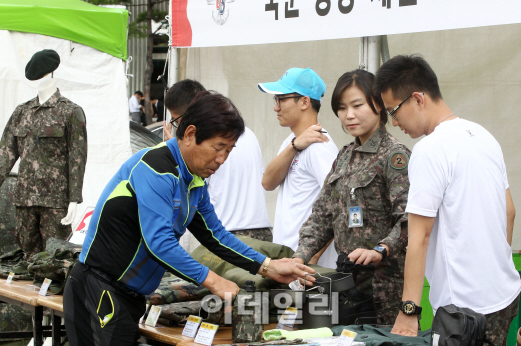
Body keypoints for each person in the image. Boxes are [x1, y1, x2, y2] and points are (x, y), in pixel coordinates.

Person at [63, 91, 314, 346]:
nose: (221, 159)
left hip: (130, 296)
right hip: (99, 289)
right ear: (191, 134)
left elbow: (216, 235)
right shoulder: (156, 168)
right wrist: (215, 281)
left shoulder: (194, 181)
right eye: (218, 147)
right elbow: (159, 243)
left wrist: (268, 266)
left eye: (229, 151)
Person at [376, 55, 521, 345]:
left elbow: (420, 237)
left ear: (418, 98)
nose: (394, 122)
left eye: (393, 111)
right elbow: (509, 212)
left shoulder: (430, 150)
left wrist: (409, 311)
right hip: (505, 293)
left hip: (464, 308)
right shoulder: (484, 135)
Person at [292, 69, 410, 325]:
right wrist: (299, 258)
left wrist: (381, 249)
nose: (349, 115)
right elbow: (322, 216)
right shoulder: (344, 157)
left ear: (378, 105)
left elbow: (409, 218)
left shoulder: (394, 156)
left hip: (385, 284)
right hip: (347, 281)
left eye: (357, 105)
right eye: (342, 108)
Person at [0, 49, 87, 256]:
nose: (37, 81)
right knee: (28, 255)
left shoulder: (70, 112)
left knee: (54, 256)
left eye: (40, 76)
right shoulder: (22, 112)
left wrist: (74, 199)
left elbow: (78, 158)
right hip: (24, 200)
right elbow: (5, 154)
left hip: (55, 201)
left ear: (50, 75)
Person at [163, 79, 273, 241]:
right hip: (261, 231)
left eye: (176, 121)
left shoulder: (202, 142)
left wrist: (179, 151)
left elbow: (187, 194)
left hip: (226, 236)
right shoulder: (246, 132)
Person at [258, 67, 339, 267]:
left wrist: (313, 255)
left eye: (281, 99)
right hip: (290, 260)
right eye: (275, 100)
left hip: (307, 267)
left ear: (304, 102)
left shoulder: (320, 146)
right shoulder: (292, 141)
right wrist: (294, 146)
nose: (276, 107)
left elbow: (341, 204)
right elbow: (267, 182)